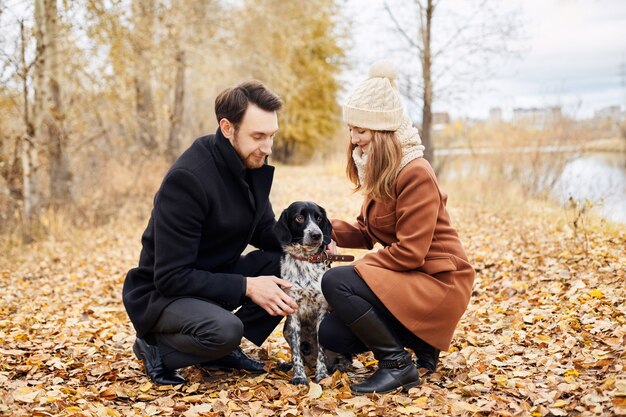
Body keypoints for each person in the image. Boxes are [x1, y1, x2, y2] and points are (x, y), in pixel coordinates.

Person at [122, 80, 298, 385]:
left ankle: (216, 350)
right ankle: (156, 348)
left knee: (290, 264)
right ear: (227, 128)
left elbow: (263, 229)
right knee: (225, 330)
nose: (267, 148)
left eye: (271, 136)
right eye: (258, 136)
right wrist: (247, 286)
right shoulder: (188, 179)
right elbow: (171, 277)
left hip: (213, 277)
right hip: (162, 294)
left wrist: (310, 243)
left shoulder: (250, 161)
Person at [319, 61, 475, 394]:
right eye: (351, 129)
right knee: (330, 333)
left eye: (361, 131)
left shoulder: (415, 172)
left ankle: (397, 365)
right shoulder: (378, 169)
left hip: (437, 281)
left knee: (337, 281)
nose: (354, 139)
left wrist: (357, 272)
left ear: (383, 131)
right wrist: (322, 231)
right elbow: (366, 231)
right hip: (409, 277)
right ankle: (421, 342)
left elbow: (411, 252)